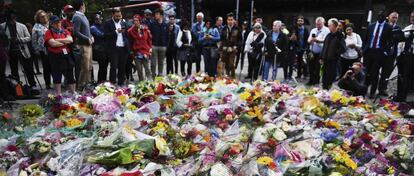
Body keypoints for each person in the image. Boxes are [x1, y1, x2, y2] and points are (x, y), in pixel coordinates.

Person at [0, 10, 37, 88]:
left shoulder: (22, 26)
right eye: (10, 17)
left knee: (28, 68)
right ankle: (17, 87)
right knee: (14, 70)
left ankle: (32, 85)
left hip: (22, 49)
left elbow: (29, 37)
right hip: (10, 50)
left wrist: (19, 40)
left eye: (13, 17)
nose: (12, 19)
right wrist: (8, 40)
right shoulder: (3, 26)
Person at [363, 10, 392, 98]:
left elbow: (390, 41)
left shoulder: (388, 27)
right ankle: (363, 89)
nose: (380, 17)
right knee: (366, 72)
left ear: (385, 17)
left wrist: (385, 52)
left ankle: (372, 92)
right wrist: (364, 49)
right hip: (369, 51)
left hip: (379, 52)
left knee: (374, 73)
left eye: (382, 16)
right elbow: (366, 38)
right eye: (379, 16)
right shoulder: (371, 26)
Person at [44, 15, 75, 94]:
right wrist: (64, 42)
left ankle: (73, 93)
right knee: (57, 74)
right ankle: (58, 95)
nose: (58, 24)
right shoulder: (48, 32)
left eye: (59, 22)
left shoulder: (65, 31)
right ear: (51, 24)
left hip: (66, 55)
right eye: (55, 23)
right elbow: (53, 44)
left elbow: (70, 40)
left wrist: (58, 40)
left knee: (70, 74)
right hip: (55, 56)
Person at [104, 8, 129, 86]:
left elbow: (127, 35)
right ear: (113, 15)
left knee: (122, 66)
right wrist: (116, 32)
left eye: (120, 16)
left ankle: (121, 83)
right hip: (113, 48)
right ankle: (113, 83)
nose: (118, 18)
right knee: (114, 66)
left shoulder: (123, 23)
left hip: (123, 47)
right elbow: (105, 36)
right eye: (117, 16)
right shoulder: (108, 23)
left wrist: (127, 45)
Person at [72, 0, 94, 88]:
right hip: (82, 45)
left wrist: (91, 36)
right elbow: (76, 32)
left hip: (88, 44)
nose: (85, 6)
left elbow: (86, 30)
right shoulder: (77, 17)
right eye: (84, 5)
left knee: (89, 67)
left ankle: (87, 84)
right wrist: (87, 38)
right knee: (84, 67)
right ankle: (81, 85)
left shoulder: (83, 16)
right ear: (81, 6)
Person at [380, 12, 403, 96]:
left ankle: (382, 88)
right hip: (381, 52)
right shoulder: (383, 26)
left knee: (386, 72)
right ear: (388, 17)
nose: (394, 19)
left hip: (392, 54)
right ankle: (373, 87)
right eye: (393, 17)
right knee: (376, 70)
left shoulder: (398, 28)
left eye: (396, 18)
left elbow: (400, 41)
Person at [394, 10, 414, 102]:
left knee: (408, 77)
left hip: (412, 56)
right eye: (412, 16)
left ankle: (406, 97)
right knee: (400, 75)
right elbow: (400, 42)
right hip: (403, 55)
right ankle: (399, 95)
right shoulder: (407, 28)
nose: (412, 18)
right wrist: (398, 54)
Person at [320, 18, 346, 90]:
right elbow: (324, 47)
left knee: (330, 77)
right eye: (328, 25)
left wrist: (335, 53)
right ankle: (324, 91)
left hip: (333, 60)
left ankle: (328, 91)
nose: (328, 27)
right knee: (324, 77)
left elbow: (343, 48)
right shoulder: (328, 35)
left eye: (329, 25)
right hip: (325, 59)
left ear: (334, 25)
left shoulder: (340, 35)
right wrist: (321, 57)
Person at [128, 14, 152, 82]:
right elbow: (129, 42)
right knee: (139, 70)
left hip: (145, 51)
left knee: (147, 69)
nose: (135, 22)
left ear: (140, 21)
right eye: (134, 21)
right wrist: (131, 51)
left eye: (137, 20)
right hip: (136, 53)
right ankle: (142, 83)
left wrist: (150, 48)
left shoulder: (145, 29)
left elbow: (149, 39)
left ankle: (150, 82)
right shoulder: (130, 31)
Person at [32, 9, 52, 89]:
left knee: (55, 66)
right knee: (46, 67)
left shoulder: (51, 24)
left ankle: (57, 83)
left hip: (55, 48)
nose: (44, 18)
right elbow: (34, 40)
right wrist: (36, 49)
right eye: (41, 17)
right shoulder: (36, 27)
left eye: (44, 16)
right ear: (38, 19)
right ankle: (48, 84)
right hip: (44, 50)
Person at [307, 17, 330, 86]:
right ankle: (311, 80)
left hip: (321, 52)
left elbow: (326, 41)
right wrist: (310, 40)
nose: (318, 26)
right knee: (310, 66)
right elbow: (308, 40)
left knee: (318, 68)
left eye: (319, 24)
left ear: (323, 23)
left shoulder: (327, 30)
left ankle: (316, 81)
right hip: (312, 51)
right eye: (316, 24)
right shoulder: (313, 30)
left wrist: (317, 40)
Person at [220, 12, 241, 78]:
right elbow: (222, 39)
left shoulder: (237, 28)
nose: (230, 21)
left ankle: (233, 78)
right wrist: (222, 47)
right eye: (229, 20)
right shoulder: (224, 28)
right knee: (226, 64)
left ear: (233, 20)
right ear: (227, 20)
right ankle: (227, 78)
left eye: (231, 19)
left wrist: (236, 46)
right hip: (225, 49)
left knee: (231, 64)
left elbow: (240, 40)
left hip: (233, 49)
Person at [149, 9, 168, 77]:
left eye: (157, 14)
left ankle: (160, 75)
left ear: (161, 16)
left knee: (161, 62)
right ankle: (153, 74)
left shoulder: (166, 24)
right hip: (154, 45)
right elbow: (149, 35)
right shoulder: (152, 24)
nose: (155, 15)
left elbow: (167, 36)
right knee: (153, 62)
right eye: (155, 14)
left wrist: (166, 46)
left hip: (163, 46)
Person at [90, 14, 107, 83]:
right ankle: (96, 81)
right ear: (94, 20)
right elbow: (100, 35)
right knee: (100, 65)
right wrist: (108, 34)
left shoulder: (102, 26)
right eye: (97, 19)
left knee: (104, 66)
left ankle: (103, 81)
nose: (99, 20)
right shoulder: (92, 27)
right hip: (97, 50)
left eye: (100, 18)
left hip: (104, 49)